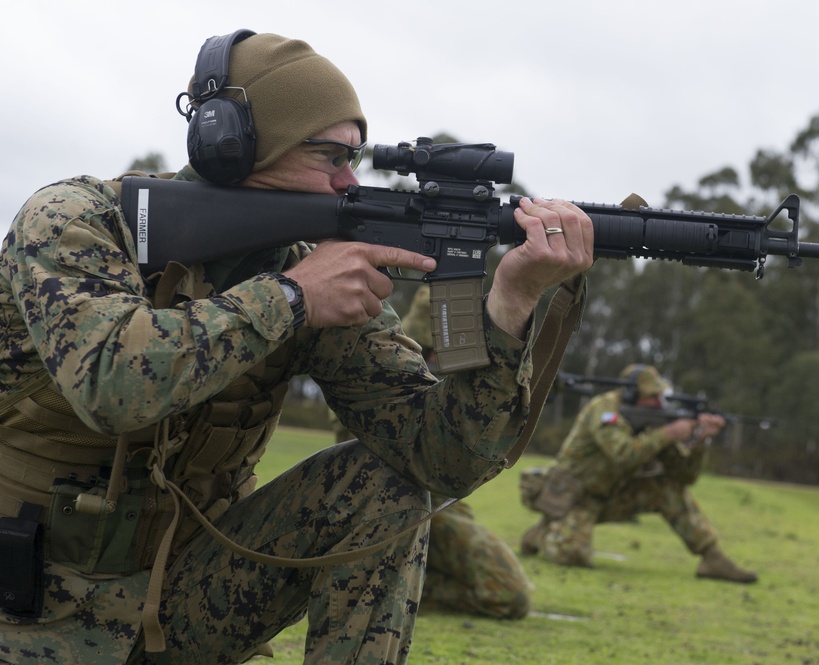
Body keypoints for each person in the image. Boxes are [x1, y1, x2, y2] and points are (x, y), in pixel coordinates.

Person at [0, 30, 593, 664]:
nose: (347, 181)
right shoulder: (75, 221)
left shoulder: (311, 267)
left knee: (383, 486)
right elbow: (110, 383)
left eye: (356, 158)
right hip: (22, 610)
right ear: (234, 146)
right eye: (329, 156)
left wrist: (509, 306)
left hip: (174, 607)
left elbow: (444, 458)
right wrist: (289, 299)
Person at [519, 364, 757, 584]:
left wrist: (700, 442)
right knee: (572, 555)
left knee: (667, 489)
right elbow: (622, 453)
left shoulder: (656, 421)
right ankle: (542, 534)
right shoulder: (604, 410)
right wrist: (668, 434)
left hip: (609, 495)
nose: (657, 402)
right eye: (651, 396)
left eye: (659, 396)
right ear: (631, 394)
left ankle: (712, 558)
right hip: (571, 496)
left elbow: (684, 477)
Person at [398, 285, 533, 619]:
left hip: (445, 507)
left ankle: (409, 587)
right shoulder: (388, 379)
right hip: (410, 510)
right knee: (509, 595)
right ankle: (404, 590)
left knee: (510, 593)